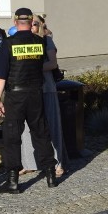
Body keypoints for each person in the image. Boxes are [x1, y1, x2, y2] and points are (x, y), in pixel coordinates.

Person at [0, 7, 59, 193]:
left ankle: (12, 180)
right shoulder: (39, 42)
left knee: (12, 136)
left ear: (15, 22)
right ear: (30, 22)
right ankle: (51, 174)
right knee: (41, 133)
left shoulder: (8, 43)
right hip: (36, 93)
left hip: (16, 95)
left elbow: (1, 74)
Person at [18, 16, 68, 177]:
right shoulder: (23, 42)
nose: (32, 27)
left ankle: (57, 163)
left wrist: (33, 67)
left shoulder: (46, 41)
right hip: (28, 90)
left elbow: (52, 63)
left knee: (52, 126)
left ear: (40, 26)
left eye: (35, 24)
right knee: (26, 127)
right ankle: (29, 162)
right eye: (30, 24)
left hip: (46, 88)